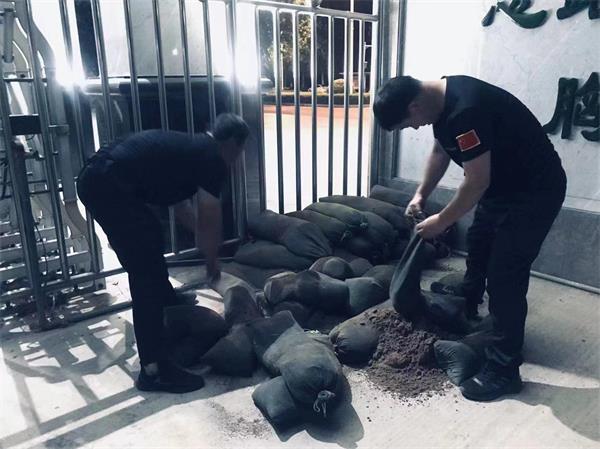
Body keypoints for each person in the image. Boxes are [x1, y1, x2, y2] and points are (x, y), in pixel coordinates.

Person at [373, 75, 566, 401]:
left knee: (505, 275)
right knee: (480, 240)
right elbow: (440, 151)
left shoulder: (466, 111)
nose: (415, 128)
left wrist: (441, 221)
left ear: (414, 106)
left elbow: (476, 181)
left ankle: (504, 370)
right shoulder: (439, 103)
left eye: (408, 124)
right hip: (502, 186)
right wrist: (421, 194)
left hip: (534, 192)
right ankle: (469, 295)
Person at [77, 113, 249, 393]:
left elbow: (182, 208)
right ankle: (154, 370)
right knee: (144, 272)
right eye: (240, 151)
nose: (238, 158)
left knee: (151, 241)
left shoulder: (191, 149)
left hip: (98, 179)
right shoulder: (213, 158)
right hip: (110, 185)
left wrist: (203, 241)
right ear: (232, 143)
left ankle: (167, 304)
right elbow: (210, 216)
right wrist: (212, 261)